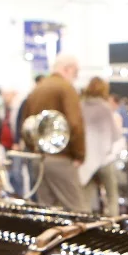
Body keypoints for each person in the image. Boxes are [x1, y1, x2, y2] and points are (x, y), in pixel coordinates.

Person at [18, 54, 87, 210]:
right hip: (61, 159)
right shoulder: (66, 88)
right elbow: (75, 124)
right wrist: (79, 154)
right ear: (68, 69)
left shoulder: (37, 89)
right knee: (78, 211)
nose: (75, 78)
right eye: (75, 73)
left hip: (39, 158)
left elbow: (25, 125)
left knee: (46, 211)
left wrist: (34, 148)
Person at [79, 77, 126, 215]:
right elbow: (115, 134)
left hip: (87, 159)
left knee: (86, 197)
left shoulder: (81, 106)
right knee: (112, 196)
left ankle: (84, 224)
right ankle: (112, 224)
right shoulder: (104, 108)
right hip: (105, 160)